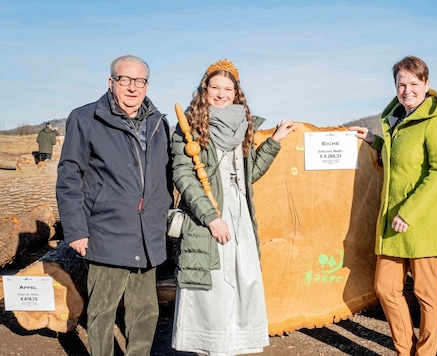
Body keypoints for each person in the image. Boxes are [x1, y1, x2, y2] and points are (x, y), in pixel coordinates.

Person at [170, 58, 296, 355]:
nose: (221, 93)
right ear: (206, 89)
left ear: (236, 92)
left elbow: (248, 173)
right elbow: (183, 175)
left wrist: (274, 141)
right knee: (213, 290)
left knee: (243, 284)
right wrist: (212, 217)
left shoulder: (243, 124)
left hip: (240, 217)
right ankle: (211, 348)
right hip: (209, 217)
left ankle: (234, 348)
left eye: (228, 88)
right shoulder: (188, 125)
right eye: (215, 87)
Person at [56, 55, 172, 355]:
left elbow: (166, 176)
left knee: (145, 313)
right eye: (125, 79)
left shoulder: (159, 122)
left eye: (140, 81)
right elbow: (69, 177)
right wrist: (76, 230)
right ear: (111, 82)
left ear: (146, 85)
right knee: (102, 313)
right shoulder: (86, 118)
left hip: (147, 234)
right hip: (106, 232)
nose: (132, 87)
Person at [349, 55, 437, 356]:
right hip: (393, 220)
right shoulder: (397, 121)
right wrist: (374, 140)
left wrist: (409, 213)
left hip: (424, 221)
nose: (407, 89)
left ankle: (425, 352)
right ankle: (404, 349)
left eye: (413, 83)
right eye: (401, 84)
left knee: (426, 293)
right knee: (385, 287)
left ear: (426, 84)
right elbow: (401, 162)